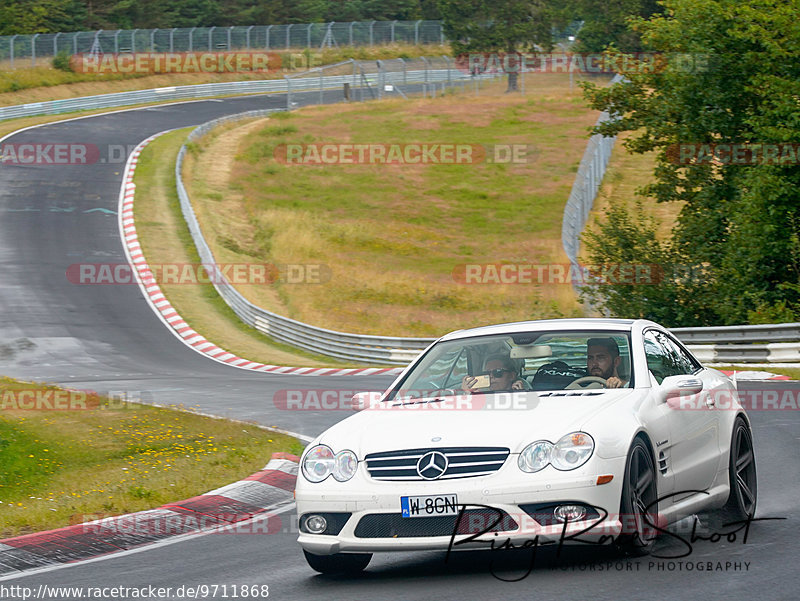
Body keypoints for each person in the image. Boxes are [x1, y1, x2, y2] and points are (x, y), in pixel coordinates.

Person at [462, 354, 527, 392]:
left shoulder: (522, 394)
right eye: (487, 373)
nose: (491, 376)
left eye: (497, 372)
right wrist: (467, 394)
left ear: (512, 376)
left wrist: (521, 394)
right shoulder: (480, 394)